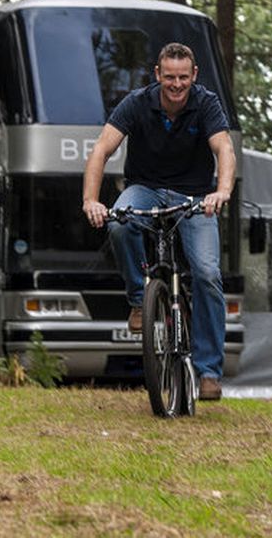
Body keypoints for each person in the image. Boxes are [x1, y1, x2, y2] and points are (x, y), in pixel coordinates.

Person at [81, 42, 235, 401]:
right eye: (169, 77)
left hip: (195, 197)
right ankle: (139, 299)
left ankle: (209, 371)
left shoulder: (206, 103)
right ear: (157, 75)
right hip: (145, 189)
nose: (176, 85)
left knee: (207, 273)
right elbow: (101, 149)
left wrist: (222, 192)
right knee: (119, 223)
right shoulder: (137, 103)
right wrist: (91, 200)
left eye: (183, 77)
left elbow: (224, 148)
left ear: (194, 75)